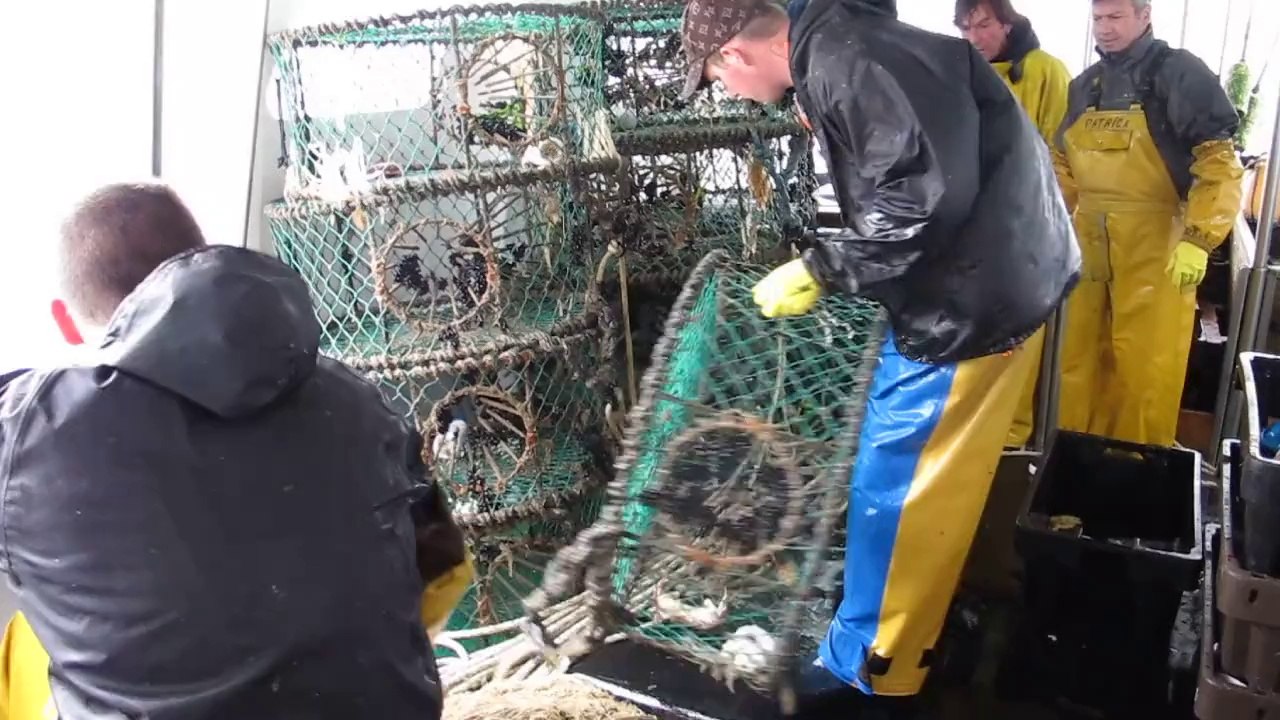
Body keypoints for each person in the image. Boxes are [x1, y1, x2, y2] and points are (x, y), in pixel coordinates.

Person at [679, 0, 1078, 707]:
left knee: (898, 486)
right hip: (993, 272)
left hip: (969, 302)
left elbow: (926, 198)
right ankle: (906, 622)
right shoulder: (838, 45)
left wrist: (822, 269)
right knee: (908, 470)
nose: (726, 92)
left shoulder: (848, 60)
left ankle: (868, 672)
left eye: (715, 77)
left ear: (736, 57)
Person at [0, 182, 471, 719]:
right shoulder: (357, 397)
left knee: (31, 638)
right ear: (201, 266)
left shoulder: (28, 431)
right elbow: (443, 571)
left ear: (64, 320)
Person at [1052, 0, 1244, 447]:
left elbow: (1218, 161)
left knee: (1145, 370)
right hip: (1089, 244)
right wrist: (1043, 229)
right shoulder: (1085, 86)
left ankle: (1137, 473)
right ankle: (1074, 470)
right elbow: (1061, 167)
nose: (1104, 28)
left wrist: (1199, 236)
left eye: (1115, 17)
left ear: (1145, 14)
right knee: (1079, 365)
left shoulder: (1179, 74)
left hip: (1156, 245)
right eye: (1098, 18)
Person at [956, 0, 1072, 448]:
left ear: (1008, 23)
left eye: (983, 25)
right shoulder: (966, 73)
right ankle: (976, 436)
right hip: (976, 229)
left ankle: (1011, 438)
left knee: (1020, 341)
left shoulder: (1045, 70)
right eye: (966, 28)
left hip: (1028, 229)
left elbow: (1063, 154)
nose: (974, 36)